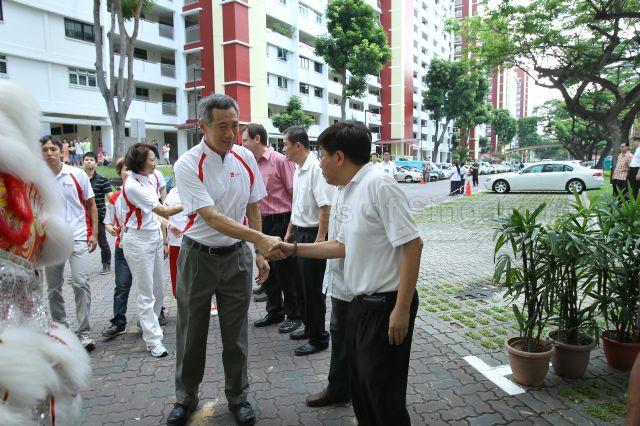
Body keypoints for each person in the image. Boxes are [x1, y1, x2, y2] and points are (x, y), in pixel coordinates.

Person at [269, 121, 423, 426]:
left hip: (386, 305)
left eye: (322, 155)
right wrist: (295, 249)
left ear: (339, 157)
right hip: (359, 303)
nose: (320, 162)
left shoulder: (379, 185)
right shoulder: (346, 190)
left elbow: (413, 245)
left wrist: (401, 309)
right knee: (361, 384)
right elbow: (340, 245)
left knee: (383, 392)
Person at [167, 94, 278, 426]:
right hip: (197, 257)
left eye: (235, 125)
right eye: (222, 126)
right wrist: (259, 239)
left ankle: (238, 396)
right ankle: (185, 398)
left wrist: (257, 253)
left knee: (236, 334)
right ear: (203, 126)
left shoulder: (244, 157)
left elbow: (253, 207)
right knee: (191, 333)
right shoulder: (187, 163)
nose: (231, 133)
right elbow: (211, 217)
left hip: (237, 259)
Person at [121, 143, 182, 358]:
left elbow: (156, 213)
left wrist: (166, 228)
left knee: (158, 291)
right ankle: (153, 340)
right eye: (150, 158)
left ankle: (152, 327)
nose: (154, 161)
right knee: (146, 294)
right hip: (138, 241)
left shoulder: (153, 177)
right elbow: (163, 209)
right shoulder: (132, 185)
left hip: (154, 237)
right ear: (139, 162)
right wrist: (194, 202)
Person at [40, 135, 98, 351]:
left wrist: (94, 234)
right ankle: (61, 330)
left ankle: (84, 332)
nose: (49, 153)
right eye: (44, 150)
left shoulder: (77, 174)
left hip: (78, 236)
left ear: (61, 151)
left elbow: (91, 205)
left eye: (53, 149)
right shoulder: (36, 179)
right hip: (50, 241)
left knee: (80, 282)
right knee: (54, 289)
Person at [243, 123, 302, 334]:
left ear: (257, 139)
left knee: (286, 271)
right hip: (262, 222)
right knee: (267, 268)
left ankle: (294, 314)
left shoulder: (279, 160)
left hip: (282, 220)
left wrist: (293, 226)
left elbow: (294, 193)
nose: (243, 145)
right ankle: (274, 311)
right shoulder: (249, 162)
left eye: (245, 141)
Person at [282, 126, 333, 356]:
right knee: (300, 286)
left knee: (312, 290)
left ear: (298, 146)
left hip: (313, 234)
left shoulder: (315, 169)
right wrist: (289, 232)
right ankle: (308, 327)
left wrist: (320, 242)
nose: (284, 149)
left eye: (285, 144)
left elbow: (325, 208)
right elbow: (296, 207)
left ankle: (319, 337)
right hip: (300, 232)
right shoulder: (298, 168)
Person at [101, 158, 134, 338]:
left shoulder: (144, 193)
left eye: (131, 169)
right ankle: (118, 322)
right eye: (124, 169)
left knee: (149, 286)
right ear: (119, 172)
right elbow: (107, 222)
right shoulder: (114, 198)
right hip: (122, 247)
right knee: (121, 285)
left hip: (142, 248)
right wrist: (111, 229)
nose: (127, 173)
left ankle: (154, 316)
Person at [83, 152, 113, 275]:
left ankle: (106, 264)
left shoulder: (102, 180)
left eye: (91, 160)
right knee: (80, 242)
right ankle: (80, 269)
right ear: (83, 162)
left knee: (102, 240)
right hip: (82, 216)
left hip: (99, 216)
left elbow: (111, 197)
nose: (89, 162)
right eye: (86, 160)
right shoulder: (80, 178)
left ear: (96, 163)